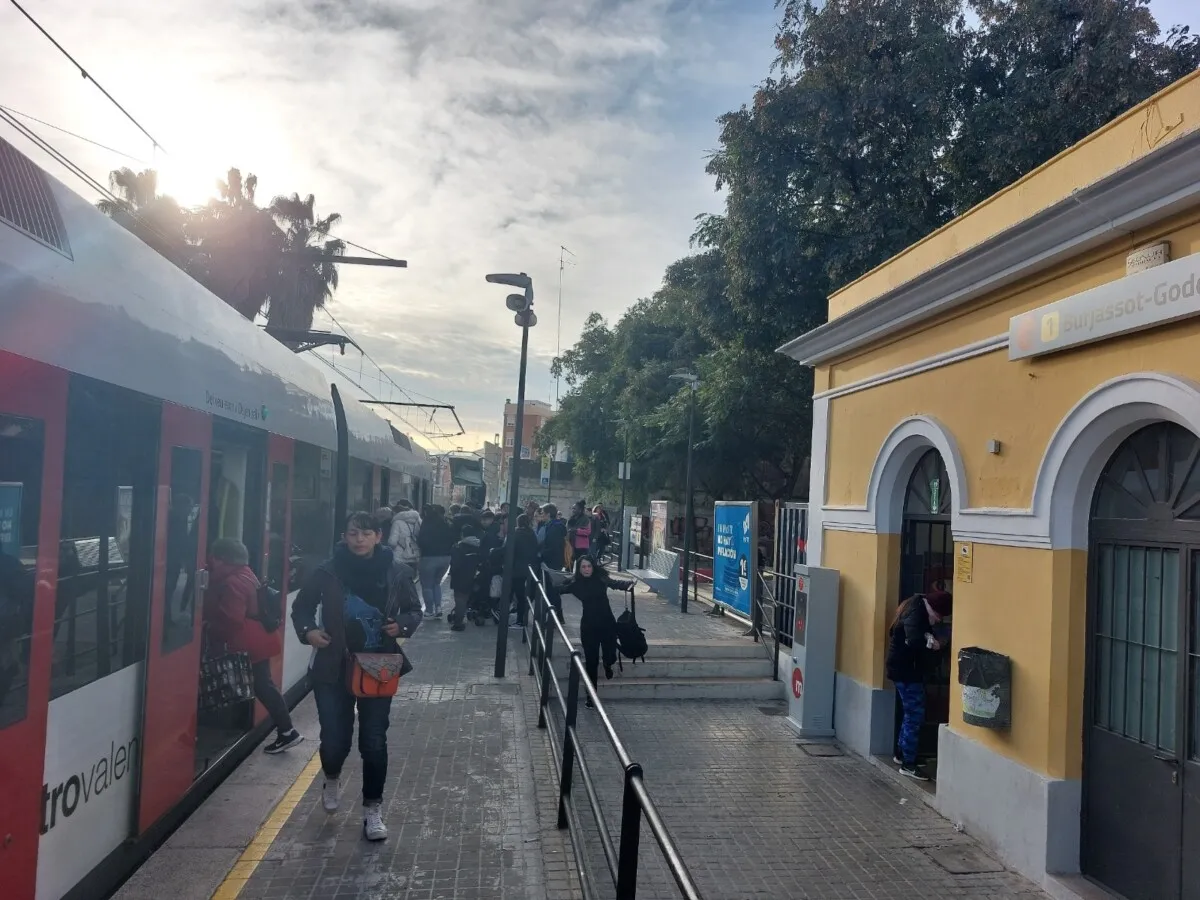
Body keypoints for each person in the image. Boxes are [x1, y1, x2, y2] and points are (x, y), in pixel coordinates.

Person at [291, 512, 421, 841]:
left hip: (379, 668)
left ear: (378, 536)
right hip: (333, 668)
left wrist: (402, 625)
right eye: (352, 533)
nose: (359, 539)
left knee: (374, 743)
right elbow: (301, 608)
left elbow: (413, 609)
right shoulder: (326, 571)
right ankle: (331, 775)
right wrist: (309, 632)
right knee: (335, 739)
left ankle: (372, 810)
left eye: (365, 533)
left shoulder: (397, 571)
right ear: (345, 536)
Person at [204, 538, 302, 754]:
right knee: (263, 685)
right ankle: (287, 731)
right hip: (258, 639)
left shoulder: (232, 582)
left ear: (222, 559)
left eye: (213, 558)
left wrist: (208, 629)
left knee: (263, 687)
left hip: (247, 642)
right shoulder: (245, 574)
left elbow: (232, 619)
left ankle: (288, 732)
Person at [886, 589, 952, 781]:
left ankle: (902, 754)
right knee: (914, 715)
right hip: (907, 673)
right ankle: (909, 763)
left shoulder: (915, 607)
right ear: (934, 609)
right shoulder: (916, 614)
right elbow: (914, 640)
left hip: (903, 671)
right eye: (939, 615)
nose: (939, 620)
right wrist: (933, 644)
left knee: (910, 714)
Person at [556, 556, 634, 708]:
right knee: (591, 662)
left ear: (593, 567)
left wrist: (628, 584)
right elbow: (560, 589)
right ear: (579, 569)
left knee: (610, 654)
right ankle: (591, 696)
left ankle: (607, 663)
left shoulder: (601, 578)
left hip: (607, 625)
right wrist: (542, 585)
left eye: (589, 566)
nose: (586, 569)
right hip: (589, 627)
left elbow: (615, 583)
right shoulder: (575, 584)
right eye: (583, 567)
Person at [416, 504, 455, 617]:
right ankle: (438, 607)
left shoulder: (427, 523)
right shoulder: (446, 523)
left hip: (429, 558)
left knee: (427, 585)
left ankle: (429, 609)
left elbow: (421, 540)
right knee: (436, 583)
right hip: (445, 558)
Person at [448, 525, 482, 632]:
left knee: (460, 600)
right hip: (475, 576)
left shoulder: (458, 547)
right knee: (468, 598)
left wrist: (452, 572)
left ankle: (458, 623)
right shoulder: (479, 546)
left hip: (460, 577)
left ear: (463, 534)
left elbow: (455, 564)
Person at [509, 514, 540, 626]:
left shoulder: (516, 534)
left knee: (518, 594)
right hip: (531, 567)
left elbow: (510, 550)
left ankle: (520, 620)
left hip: (517, 568)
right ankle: (522, 616)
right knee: (526, 594)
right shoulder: (532, 534)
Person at [387, 500, 422, 571]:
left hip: (400, 557)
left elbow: (392, 542)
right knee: (411, 578)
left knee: (400, 579)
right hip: (415, 556)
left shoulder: (397, 522)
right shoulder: (418, 521)